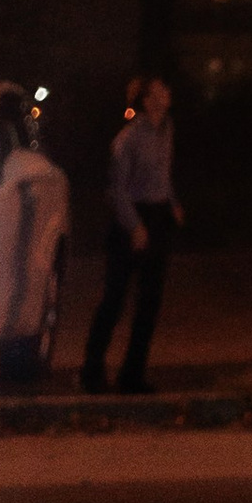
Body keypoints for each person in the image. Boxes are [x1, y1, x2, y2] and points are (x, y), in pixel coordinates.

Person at [81, 71, 181, 397]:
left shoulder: (166, 130)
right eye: (160, 90)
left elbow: (162, 175)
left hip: (157, 216)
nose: (166, 93)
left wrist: (172, 204)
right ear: (148, 100)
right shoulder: (128, 139)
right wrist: (134, 226)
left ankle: (132, 374)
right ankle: (91, 372)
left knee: (149, 302)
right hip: (131, 222)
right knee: (114, 299)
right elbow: (117, 189)